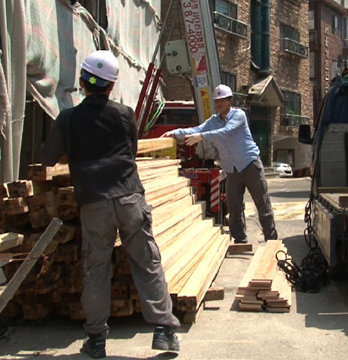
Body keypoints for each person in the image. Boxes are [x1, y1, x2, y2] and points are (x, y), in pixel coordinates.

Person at [41, 50, 180, 358]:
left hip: (94, 202)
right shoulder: (124, 114)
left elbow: (47, 159)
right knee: (148, 262)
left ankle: (97, 340)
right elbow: (130, 153)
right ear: (111, 86)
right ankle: (164, 331)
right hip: (129, 196)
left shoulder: (68, 119)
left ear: (82, 82)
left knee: (96, 268)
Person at [161, 84, 278, 244]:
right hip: (232, 169)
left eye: (221, 101)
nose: (218, 105)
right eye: (216, 102)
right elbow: (196, 128)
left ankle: (272, 241)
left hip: (250, 165)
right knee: (234, 207)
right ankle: (240, 241)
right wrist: (175, 133)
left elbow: (226, 131)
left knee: (262, 204)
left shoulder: (239, 115)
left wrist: (201, 137)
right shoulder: (213, 121)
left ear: (230, 101)